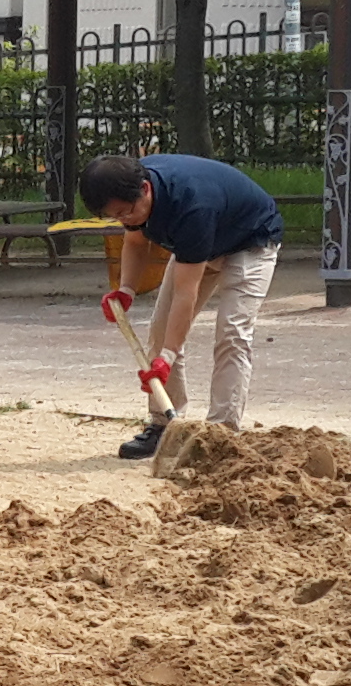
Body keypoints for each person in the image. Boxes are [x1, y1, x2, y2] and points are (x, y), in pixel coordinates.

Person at [81, 150, 284, 458]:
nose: (124, 220)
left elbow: (185, 294)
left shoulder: (192, 205)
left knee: (232, 333)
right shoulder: (130, 190)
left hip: (250, 242)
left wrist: (167, 357)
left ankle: (220, 436)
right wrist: (126, 290)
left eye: (125, 212)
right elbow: (135, 242)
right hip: (202, 243)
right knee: (160, 330)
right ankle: (166, 425)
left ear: (145, 190)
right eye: (116, 216)